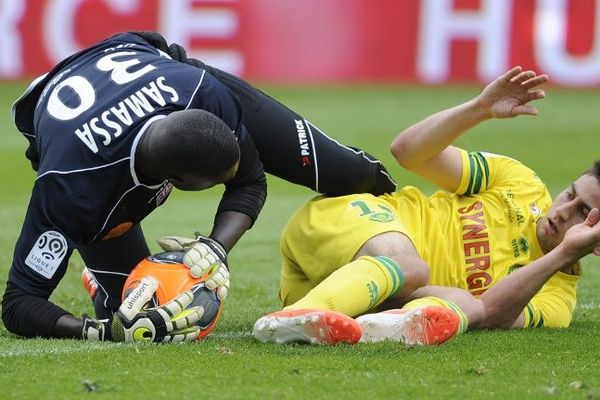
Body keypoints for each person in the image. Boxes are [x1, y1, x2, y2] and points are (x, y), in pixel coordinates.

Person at [1, 31, 396, 343]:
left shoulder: (205, 94)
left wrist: (215, 248)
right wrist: (98, 331)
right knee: (140, 315)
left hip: (163, 70)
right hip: (69, 126)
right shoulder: (72, 190)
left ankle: (413, 226)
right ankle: (102, 277)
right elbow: (19, 304)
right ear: (178, 183)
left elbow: (250, 180)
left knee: (346, 172)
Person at [252, 67, 600, 346]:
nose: (563, 211)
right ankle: (298, 315)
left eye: (583, 212)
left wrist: (563, 254)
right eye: (570, 195)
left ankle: (373, 329)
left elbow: (490, 313)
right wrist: (479, 109)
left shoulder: (557, 302)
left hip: (348, 291)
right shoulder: (521, 183)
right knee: (410, 266)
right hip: (340, 225)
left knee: (466, 306)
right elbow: (409, 152)